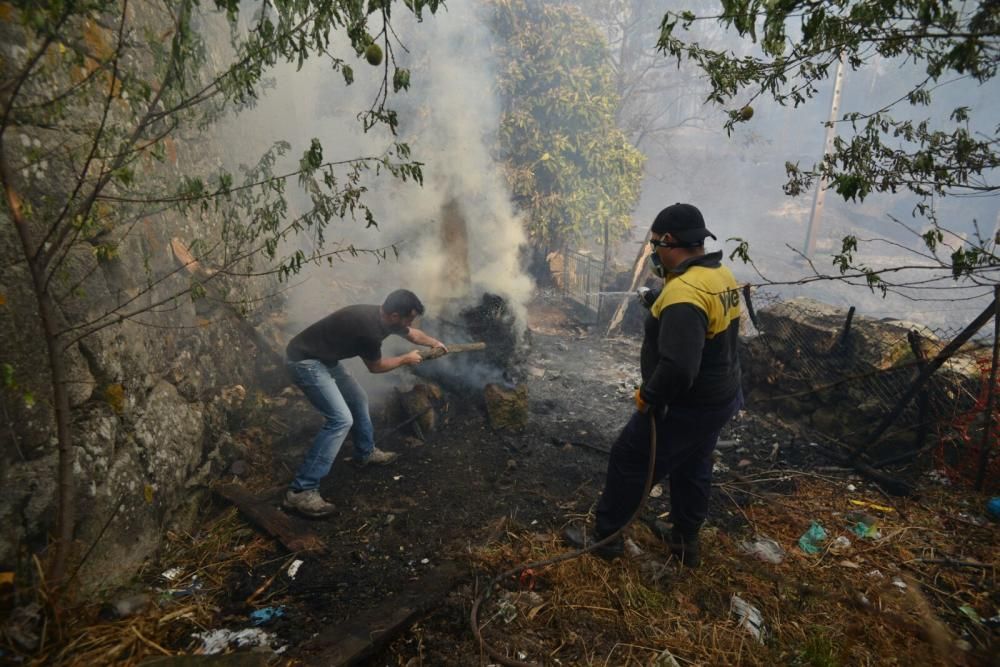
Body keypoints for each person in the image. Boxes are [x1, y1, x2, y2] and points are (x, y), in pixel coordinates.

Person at [565, 203, 743, 565]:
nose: (652, 253)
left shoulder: (684, 295)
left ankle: (606, 538)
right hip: (720, 398)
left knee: (629, 458)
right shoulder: (719, 275)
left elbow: (678, 368)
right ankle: (685, 541)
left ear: (669, 241)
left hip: (684, 405)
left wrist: (649, 396)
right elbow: (701, 327)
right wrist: (657, 301)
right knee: (693, 465)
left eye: (654, 245)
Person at [283, 289, 447, 517]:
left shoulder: (384, 316)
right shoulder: (368, 331)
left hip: (324, 359)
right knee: (340, 420)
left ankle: (365, 452)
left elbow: (412, 334)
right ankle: (301, 491)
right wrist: (405, 359)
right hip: (305, 362)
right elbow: (376, 367)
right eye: (408, 318)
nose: (410, 323)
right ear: (394, 316)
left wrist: (435, 343)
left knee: (358, 398)